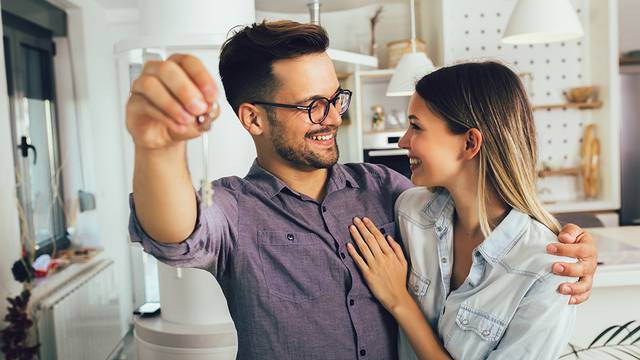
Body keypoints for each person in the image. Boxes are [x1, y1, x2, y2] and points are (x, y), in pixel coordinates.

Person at [126, 20, 597, 360]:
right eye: (313, 105)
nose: (334, 117)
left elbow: (492, 206)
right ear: (253, 117)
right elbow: (174, 232)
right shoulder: (232, 210)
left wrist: (574, 246)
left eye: (335, 98)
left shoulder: (393, 192)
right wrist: (158, 148)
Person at [346, 61, 589, 360]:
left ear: (470, 142)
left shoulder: (547, 271)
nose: (403, 141)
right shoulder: (409, 212)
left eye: (416, 126)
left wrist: (400, 301)